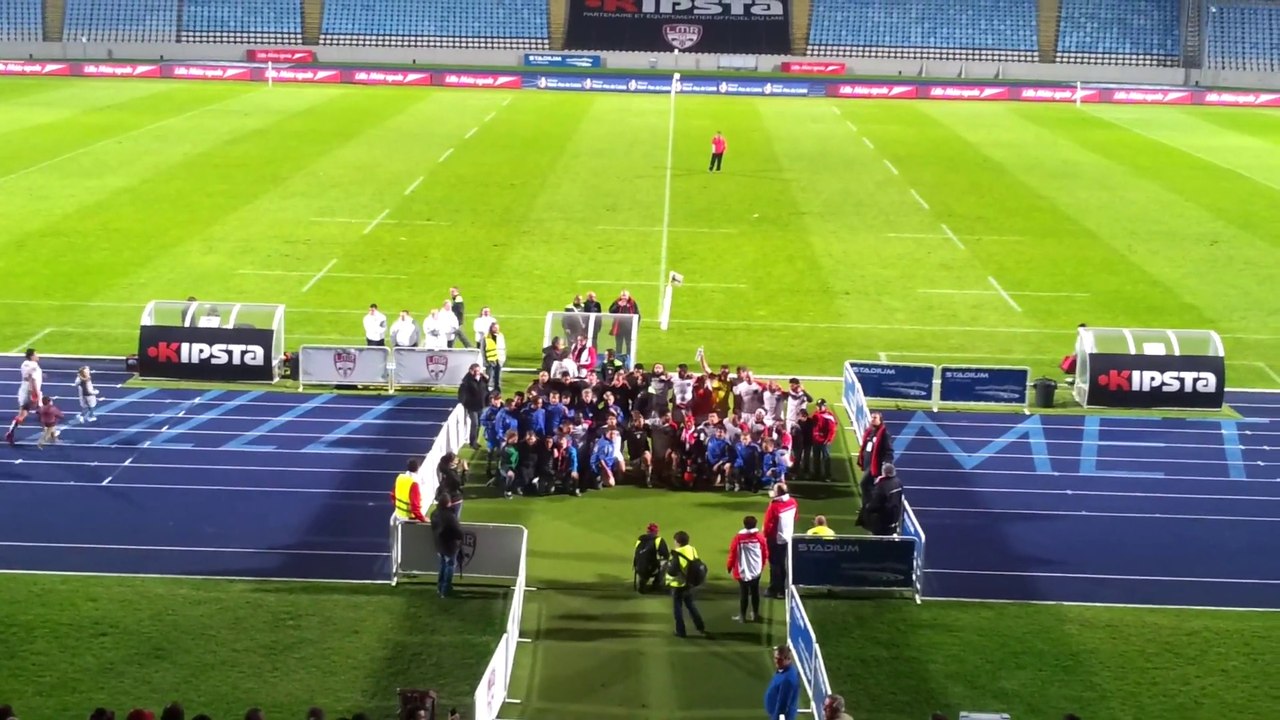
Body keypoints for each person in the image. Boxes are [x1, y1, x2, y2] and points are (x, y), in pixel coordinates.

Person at [665, 530, 707, 638]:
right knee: (691, 605)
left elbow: (672, 571)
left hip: (678, 584)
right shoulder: (692, 549)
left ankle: (681, 631)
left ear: (677, 542)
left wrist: (666, 566)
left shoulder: (676, 553)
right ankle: (700, 626)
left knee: (678, 609)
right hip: (690, 583)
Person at [727, 515, 768, 622]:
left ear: (744, 524)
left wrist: (729, 566)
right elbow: (765, 553)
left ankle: (742, 617)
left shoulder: (738, 538)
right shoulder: (760, 537)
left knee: (744, 593)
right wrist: (762, 565)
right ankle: (755, 615)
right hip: (756, 570)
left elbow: (733, 553)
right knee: (755, 592)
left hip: (743, 571)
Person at [857, 411, 895, 522]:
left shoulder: (884, 434)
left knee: (864, 484)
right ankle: (870, 508)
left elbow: (889, 451)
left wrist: (886, 466)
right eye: (872, 417)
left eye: (875, 418)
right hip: (868, 464)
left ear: (880, 420)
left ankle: (868, 508)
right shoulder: (870, 431)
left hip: (876, 467)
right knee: (871, 487)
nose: (873, 419)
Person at [763, 482, 797, 599]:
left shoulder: (774, 506)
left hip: (775, 539)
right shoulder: (793, 502)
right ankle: (782, 589)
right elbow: (796, 517)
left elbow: (769, 524)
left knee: (775, 565)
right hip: (788, 537)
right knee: (782, 564)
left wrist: (766, 536)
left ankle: (775, 588)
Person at [430, 493, 464, 597]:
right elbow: (458, 532)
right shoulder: (450, 516)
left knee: (442, 565)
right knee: (450, 566)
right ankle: (445, 590)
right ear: (448, 503)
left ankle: (440, 588)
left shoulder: (434, 513)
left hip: (439, 544)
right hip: (449, 546)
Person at [6, 348, 41, 445]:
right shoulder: (32, 365)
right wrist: (34, 393)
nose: (38, 356)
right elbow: (30, 378)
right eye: (36, 354)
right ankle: (51, 434)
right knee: (43, 412)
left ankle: (11, 431)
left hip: (26, 390)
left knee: (23, 414)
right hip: (29, 391)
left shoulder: (28, 364)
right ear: (31, 356)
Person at [863, 463, 904, 536]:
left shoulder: (882, 486)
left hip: (883, 522)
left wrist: (867, 507)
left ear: (884, 472)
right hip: (894, 518)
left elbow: (874, 505)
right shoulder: (898, 482)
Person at [457, 363, 489, 450]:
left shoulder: (482, 378)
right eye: (476, 371)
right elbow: (462, 392)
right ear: (471, 371)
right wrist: (463, 403)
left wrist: (486, 378)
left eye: (479, 370)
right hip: (472, 406)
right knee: (475, 423)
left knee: (479, 423)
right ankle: (472, 442)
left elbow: (485, 388)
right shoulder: (467, 380)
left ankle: (475, 441)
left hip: (481, 405)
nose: (478, 372)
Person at [764, 645, 800, 720]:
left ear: (788, 659)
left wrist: (775, 718)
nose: (776, 661)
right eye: (775, 658)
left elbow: (782, 706)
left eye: (779, 659)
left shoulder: (787, 679)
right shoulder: (783, 670)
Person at [633, 522, 669, 593]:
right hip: (651, 568)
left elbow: (637, 553)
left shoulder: (640, 539)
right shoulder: (658, 540)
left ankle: (642, 582)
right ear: (656, 532)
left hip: (638, 567)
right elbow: (666, 555)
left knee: (643, 561)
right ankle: (656, 584)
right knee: (666, 562)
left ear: (647, 531)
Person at [810, 399, 838, 481]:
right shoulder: (815, 414)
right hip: (816, 440)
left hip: (824, 441)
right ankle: (816, 474)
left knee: (826, 458)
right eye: (818, 406)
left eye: (820, 406)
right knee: (816, 458)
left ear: (824, 406)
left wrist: (828, 440)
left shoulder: (828, 415)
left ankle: (827, 475)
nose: (818, 407)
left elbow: (832, 429)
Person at [391, 459, 427, 523]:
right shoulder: (414, 483)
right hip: (409, 518)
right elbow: (415, 507)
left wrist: (398, 507)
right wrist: (423, 519)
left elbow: (393, 495)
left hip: (399, 515)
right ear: (418, 468)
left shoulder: (400, 477)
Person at [608, 290, 639, 357]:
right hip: (619, 328)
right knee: (618, 345)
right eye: (623, 296)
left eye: (625, 296)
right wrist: (618, 305)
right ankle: (618, 358)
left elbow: (638, 315)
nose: (624, 298)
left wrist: (636, 326)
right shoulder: (617, 302)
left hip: (629, 328)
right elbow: (611, 312)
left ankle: (629, 358)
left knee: (629, 345)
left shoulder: (632, 303)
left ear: (628, 296)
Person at [436, 452, 466, 519]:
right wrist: (465, 471)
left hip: (444, 498)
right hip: (454, 498)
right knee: (453, 520)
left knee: (443, 519)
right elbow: (460, 483)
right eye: (455, 459)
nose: (458, 460)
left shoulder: (442, 469)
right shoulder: (451, 473)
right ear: (451, 462)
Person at [481, 322, 507, 393]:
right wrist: (485, 361)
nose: (497, 329)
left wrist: (504, 358)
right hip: (491, 360)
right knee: (489, 376)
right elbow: (482, 349)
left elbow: (503, 347)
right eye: (495, 327)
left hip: (500, 358)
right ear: (491, 328)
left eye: (497, 328)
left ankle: (497, 390)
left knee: (498, 376)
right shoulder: (486, 337)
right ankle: (487, 390)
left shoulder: (501, 335)